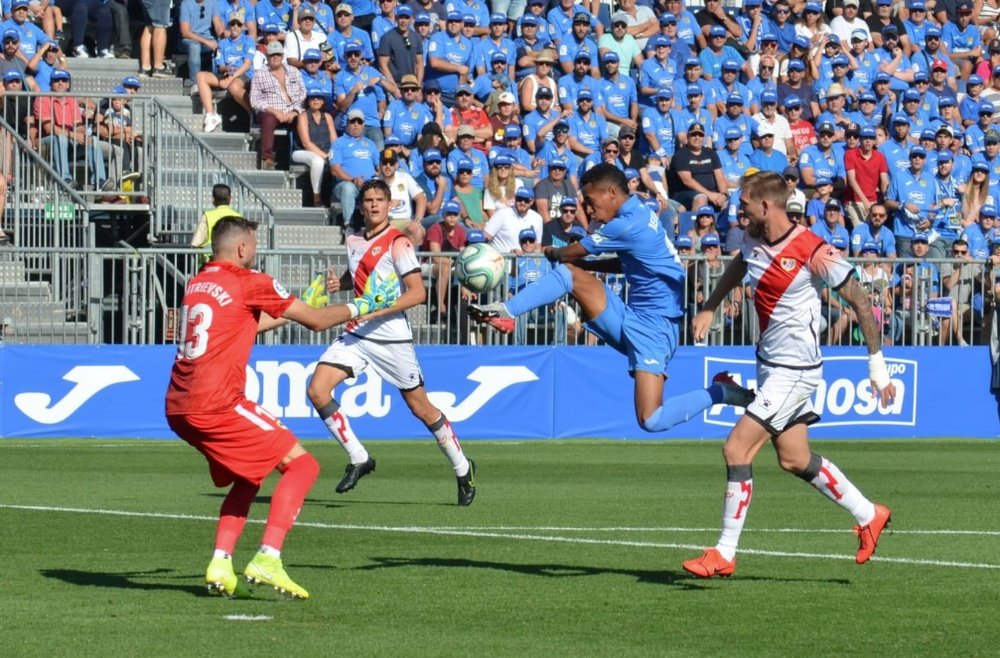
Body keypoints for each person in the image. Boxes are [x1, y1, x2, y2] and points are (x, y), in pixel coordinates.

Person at [166, 216, 399, 600]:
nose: (255, 251)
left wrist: (304, 303)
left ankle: (221, 563)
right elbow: (316, 322)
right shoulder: (249, 280)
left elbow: (244, 325)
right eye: (254, 245)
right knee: (303, 465)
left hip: (178, 405)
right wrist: (362, 304)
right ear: (242, 248)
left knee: (249, 477)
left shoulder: (198, 283)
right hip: (217, 403)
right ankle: (268, 557)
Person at [682, 170, 895, 579]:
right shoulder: (751, 239)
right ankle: (870, 514)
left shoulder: (814, 249)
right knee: (795, 458)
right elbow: (741, 265)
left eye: (744, 205)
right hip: (771, 366)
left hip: (795, 372)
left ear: (766, 206)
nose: (737, 212)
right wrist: (711, 304)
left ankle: (724, 552)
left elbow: (862, 302)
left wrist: (876, 366)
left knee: (736, 450)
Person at [468, 164, 755, 434]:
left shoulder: (627, 225)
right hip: (630, 315)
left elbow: (573, 252)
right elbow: (625, 263)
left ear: (612, 193)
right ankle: (506, 310)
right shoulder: (638, 215)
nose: (589, 210)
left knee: (651, 419)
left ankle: (720, 391)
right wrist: (582, 266)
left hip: (655, 328)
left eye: (591, 201)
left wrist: (553, 253)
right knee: (570, 275)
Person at [306, 179, 478, 505]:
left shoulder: (398, 243)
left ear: (389, 205)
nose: (373, 205)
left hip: (391, 337)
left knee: (421, 408)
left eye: (379, 200)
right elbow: (360, 276)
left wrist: (378, 309)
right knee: (317, 389)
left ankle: (462, 466)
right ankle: (359, 458)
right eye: (368, 200)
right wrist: (339, 283)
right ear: (360, 206)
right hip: (358, 332)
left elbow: (417, 292)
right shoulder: (354, 239)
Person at [250, 40, 306, 170]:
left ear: (282, 56)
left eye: (278, 54)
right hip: (270, 111)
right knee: (269, 118)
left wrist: (294, 111)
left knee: (304, 117)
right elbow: (254, 100)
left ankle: (301, 154)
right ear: (267, 57)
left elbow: (303, 94)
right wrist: (275, 112)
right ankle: (267, 158)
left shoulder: (294, 72)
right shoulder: (259, 74)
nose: (275, 57)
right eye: (272, 55)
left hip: (292, 110)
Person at [190, 183, 242, 249]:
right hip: (232, 257)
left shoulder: (207, 216)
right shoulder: (239, 217)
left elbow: (196, 242)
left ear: (213, 199)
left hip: (211, 257)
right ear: (230, 198)